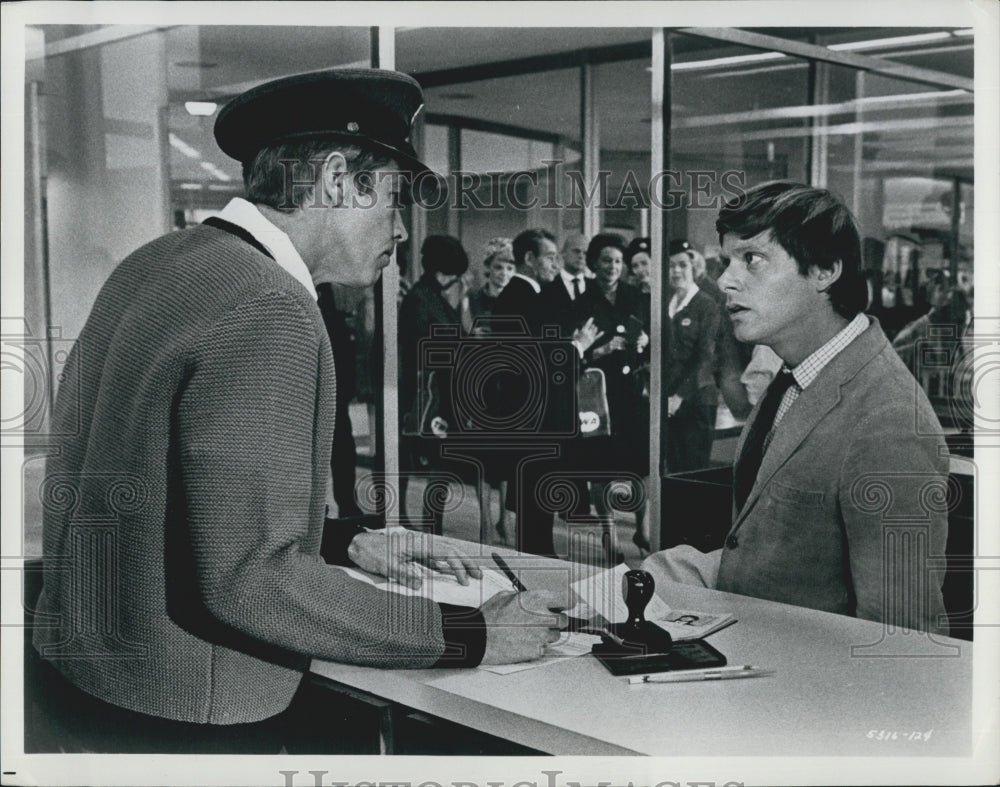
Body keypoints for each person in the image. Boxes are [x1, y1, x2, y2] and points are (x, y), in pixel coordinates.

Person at [31, 69, 566, 753]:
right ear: (339, 179)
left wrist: (348, 540)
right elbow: (253, 582)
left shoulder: (154, 264)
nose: (399, 229)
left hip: (85, 684)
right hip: (192, 713)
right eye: (393, 198)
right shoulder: (269, 306)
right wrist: (474, 632)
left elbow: (180, 507)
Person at [644, 181, 949, 635]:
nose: (726, 279)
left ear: (824, 270)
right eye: (728, 260)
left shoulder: (888, 419)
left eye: (752, 259)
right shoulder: (797, 373)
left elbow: (903, 632)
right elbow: (773, 554)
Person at [491, 229, 600, 557]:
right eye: (550, 257)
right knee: (535, 505)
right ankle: (537, 569)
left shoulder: (530, 296)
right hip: (535, 419)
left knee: (538, 503)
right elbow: (535, 362)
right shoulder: (521, 298)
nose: (556, 263)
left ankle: (540, 560)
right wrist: (578, 347)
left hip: (537, 418)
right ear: (529, 259)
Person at [575, 233, 650, 556]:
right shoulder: (581, 302)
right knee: (600, 466)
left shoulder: (637, 297)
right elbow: (575, 353)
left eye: (618, 261)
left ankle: (643, 529)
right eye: (606, 260)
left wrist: (644, 343)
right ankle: (609, 533)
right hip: (598, 394)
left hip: (633, 392)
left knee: (641, 464)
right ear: (593, 263)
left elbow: (650, 339)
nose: (612, 267)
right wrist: (602, 348)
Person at [397, 234, 472, 534]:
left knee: (437, 460)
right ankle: (428, 523)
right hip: (429, 393)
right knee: (435, 460)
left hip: (435, 390)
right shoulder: (424, 300)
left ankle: (430, 522)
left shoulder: (429, 297)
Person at [466, 237, 517, 543]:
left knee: (509, 455)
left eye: (510, 267)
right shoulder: (473, 298)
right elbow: (467, 336)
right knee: (483, 456)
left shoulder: (518, 297)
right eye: (499, 267)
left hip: (509, 382)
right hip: (482, 382)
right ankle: (485, 521)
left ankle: (505, 520)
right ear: (489, 269)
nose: (504, 273)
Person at [663, 238, 721, 473]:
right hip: (668, 400)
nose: (676, 271)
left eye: (682, 265)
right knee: (673, 470)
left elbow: (706, 357)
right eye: (670, 266)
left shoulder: (706, 305)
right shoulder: (666, 303)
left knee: (694, 472)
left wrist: (679, 395)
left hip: (696, 400)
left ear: (693, 267)